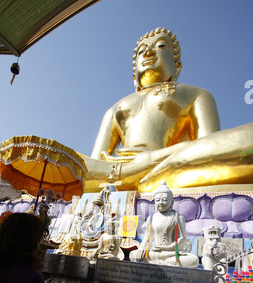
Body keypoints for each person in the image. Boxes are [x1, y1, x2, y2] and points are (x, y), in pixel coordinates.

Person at [82, 27, 253, 193]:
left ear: (176, 65)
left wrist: (151, 159)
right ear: (134, 76)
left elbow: (208, 149)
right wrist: (127, 168)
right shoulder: (114, 108)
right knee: (64, 162)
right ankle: (136, 176)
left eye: (160, 46)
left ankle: (140, 177)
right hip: (119, 169)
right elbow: (92, 166)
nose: (148, 53)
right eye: (142, 51)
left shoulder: (196, 94)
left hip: (176, 161)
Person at [130, 180, 198, 268]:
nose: (161, 203)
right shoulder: (152, 217)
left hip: (171, 253)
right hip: (154, 252)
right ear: (155, 202)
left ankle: (158, 264)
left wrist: (169, 248)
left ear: (172, 202)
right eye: (158, 200)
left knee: (193, 260)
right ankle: (164, 264)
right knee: (133, 255)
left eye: (165, 200)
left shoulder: (177, 217)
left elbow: (183, 239)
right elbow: (148, 236)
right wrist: (141, 249)